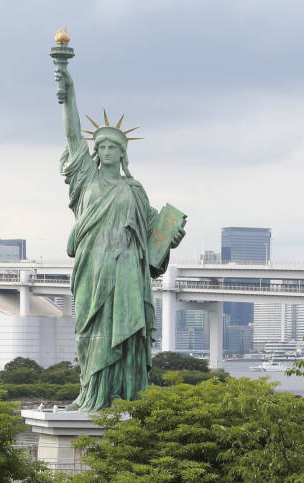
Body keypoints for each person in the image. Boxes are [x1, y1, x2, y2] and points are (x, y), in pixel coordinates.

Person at [54, 58, 184, 411]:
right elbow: (70, 133)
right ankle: (92, 394)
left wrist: (169, 237)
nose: (107, 151)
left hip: (127, 271)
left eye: (114, 147)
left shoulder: (134, 190)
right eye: (102, 146)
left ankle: (126, 397)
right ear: (95, 152)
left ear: (122, 153)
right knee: (92, 334)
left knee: (127, 338)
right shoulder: (86, 180)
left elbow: (154, 234)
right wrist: (68, 88)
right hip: (93, 270)